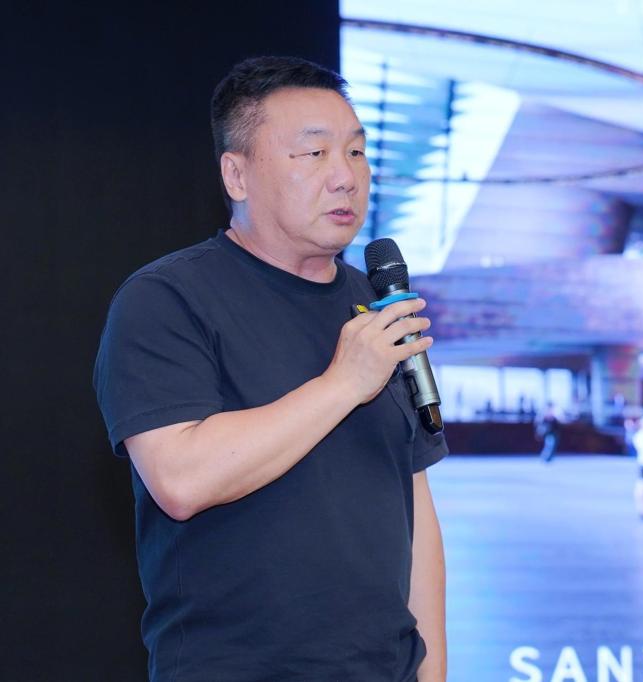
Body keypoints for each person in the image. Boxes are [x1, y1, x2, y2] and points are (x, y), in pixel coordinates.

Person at [93, 57, 448, 681]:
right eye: (314, 154)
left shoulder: (375, 304)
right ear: (237, 174)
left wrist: (433, 669)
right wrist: (343, 383)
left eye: (357, 152)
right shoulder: (166, 300)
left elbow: (414, 505)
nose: (345, 177)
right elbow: (181, 479)